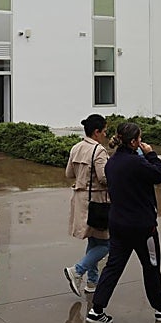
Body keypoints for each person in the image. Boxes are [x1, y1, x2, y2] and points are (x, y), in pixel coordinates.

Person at [86, 121, 161, 323]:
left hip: (119, 224)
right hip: (142, 226)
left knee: (113, 266)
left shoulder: (112, 163)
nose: (141, 142)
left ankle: (96, 310)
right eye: (139, 138)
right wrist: (151, 153)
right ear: (133, 142)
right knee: (151, 266)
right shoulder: (137, 163)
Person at [64, 114, 110, 297]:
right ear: (96, 132)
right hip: (97, 202)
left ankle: (92, 282)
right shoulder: (98, 151)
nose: (106, 135)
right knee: (107, 244)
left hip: (80, 200)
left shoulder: (76, 147)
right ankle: (77, 270)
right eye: (104, 131)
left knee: (94, 240)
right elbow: (104, 178)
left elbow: (69, 173)